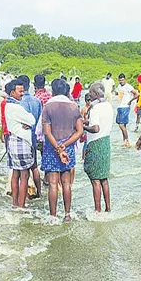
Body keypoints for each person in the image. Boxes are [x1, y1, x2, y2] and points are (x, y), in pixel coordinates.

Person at [41, 79, 84, 222]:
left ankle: (53, 216)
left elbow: (47, 132)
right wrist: (65, 145)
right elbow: (79, 131)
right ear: (67, 91)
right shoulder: (74, 106)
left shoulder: (48, 106)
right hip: (68, 147)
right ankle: (67, 214)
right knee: (66, 183)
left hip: (51, 147)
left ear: (53, 91)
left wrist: (58, 148)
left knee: (53, 183)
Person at [5, 80, 36, 208]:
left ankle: (15, 203)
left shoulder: (8, 105)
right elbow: (32, 120)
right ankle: (21, 205)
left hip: (12, 141)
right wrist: (27, 123)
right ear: (13, 92)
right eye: (20, 91)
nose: (22, 93)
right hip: (21, 142)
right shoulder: (17, 107)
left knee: (15, 174)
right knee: (24, 175)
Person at [83, 83, 113, 213]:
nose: (89, 96)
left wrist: (82, 126)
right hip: (106, 142)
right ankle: (108, 208)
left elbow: (95, 128)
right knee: (104, 179)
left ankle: (97, 211)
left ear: (95, 94)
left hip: (95, 144)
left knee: (95, 180)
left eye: (90, 93)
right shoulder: (108, 105)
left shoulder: (95, 108)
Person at [18, 75, 43, 199]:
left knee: (23, 171)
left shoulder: (18, 102)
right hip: (33, 138)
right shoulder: (37, 101)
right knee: (34, 167)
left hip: (22, 139)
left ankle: (24, 197)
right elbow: (39, 121)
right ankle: (39, 193)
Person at [116, 74, 138, 147]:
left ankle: (127, 140)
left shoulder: (128, 86)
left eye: (122, 80)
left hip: (125, 107)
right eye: (120, 80)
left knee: (121, 125)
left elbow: (137, 94)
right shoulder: (119, 86)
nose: (121, 81)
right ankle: (124, 141)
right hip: (120, 106)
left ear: (125, 79)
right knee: (123, 125)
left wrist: (130, 101)